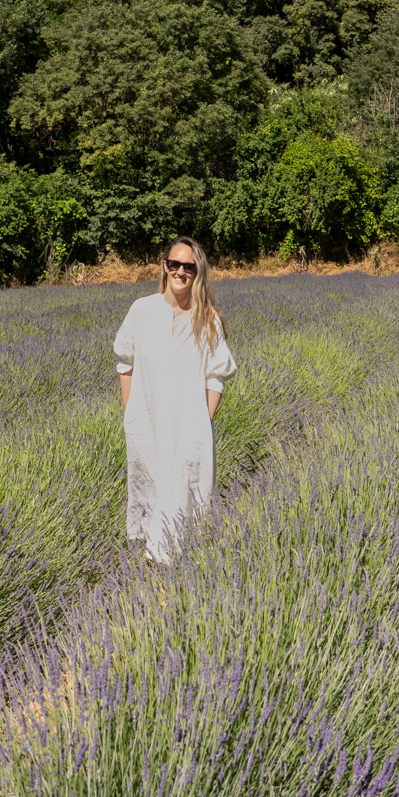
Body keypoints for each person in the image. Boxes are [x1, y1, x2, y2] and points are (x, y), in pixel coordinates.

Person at [113, 238, 237, 563]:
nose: (180, 271)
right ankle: (156, 575)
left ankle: (171, 578)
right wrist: (132, 415)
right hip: (148, 425)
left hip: (189, 430)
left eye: (189, 267)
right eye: (174, 264)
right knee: (152, 488)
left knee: (184, 495)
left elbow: (216, 376)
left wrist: (202, 423)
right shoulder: (142, 310)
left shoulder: (207, 319)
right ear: (164, 265)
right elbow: (125, 363)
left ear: (198, 272)